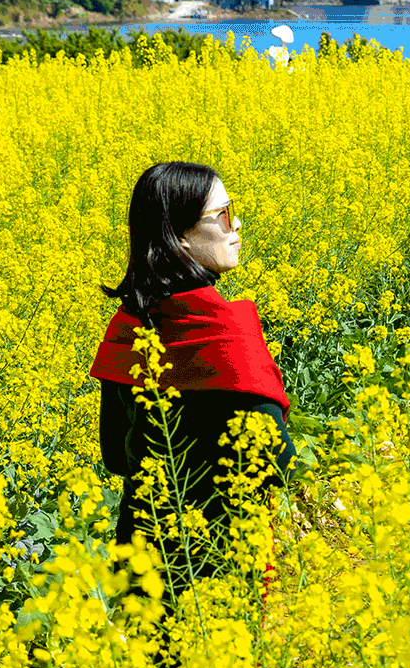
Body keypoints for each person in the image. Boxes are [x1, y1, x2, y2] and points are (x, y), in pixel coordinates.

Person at [90, 162, 294, 602]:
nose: (236, 225)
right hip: (220, 561)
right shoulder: (228, 333)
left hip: (142, 557)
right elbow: (278, 461)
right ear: (180, 236)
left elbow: (116, 455)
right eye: (223, 215)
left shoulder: (128, 328)